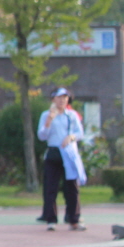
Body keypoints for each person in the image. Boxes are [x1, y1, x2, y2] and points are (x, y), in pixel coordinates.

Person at [37, 87, 87, 232]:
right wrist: (49, 121)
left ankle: (73, 219)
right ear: (53, 99)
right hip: (53, 153)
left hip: (69, 153)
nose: (62, 100)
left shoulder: (72, 115)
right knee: (50, 187)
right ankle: (51, 220)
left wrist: (71, 137)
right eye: (59, 97)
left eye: (65, 97)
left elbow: (80, 133)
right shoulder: (46, 115)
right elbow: (42, 136)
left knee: (72, 187)